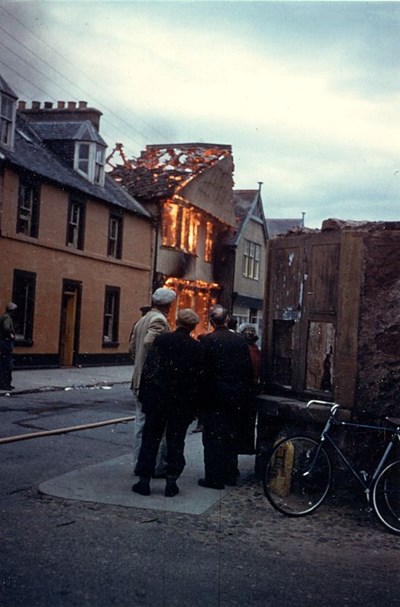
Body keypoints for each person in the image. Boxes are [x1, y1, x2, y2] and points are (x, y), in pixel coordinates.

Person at [132, 309, 203, 497]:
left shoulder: (162, 341)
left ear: (177, 322)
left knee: (150, 439)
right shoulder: (196, 348)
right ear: (193, 327)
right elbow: (197, 381)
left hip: (158, 399)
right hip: (181, 404)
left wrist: (145, 395)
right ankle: (171, 481)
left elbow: (150, 369)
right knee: (176, 441)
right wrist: (194, 407)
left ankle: (144, 481)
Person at [198, 305, 254, 489]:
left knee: (213, 437)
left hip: (214, 395)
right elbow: (248, 370)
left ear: (212, 322)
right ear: (227, 319)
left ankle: (214, 477)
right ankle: (230, 473)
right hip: (236, 394)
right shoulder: (239, 341)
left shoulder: (208, 341)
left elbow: (202, 372)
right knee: (231, 435)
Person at [129, 287, 176, 476]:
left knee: (141, 424)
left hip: (138, 379)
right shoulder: (159, 320)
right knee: (154, 428)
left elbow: (133, 347)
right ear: (167, 305)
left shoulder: (143, 319)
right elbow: (150, 342)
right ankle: (153, 466)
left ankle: (138, 464)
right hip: (150, 382)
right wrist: (159, 364)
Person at [0, 302, 17, 390]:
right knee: (7, 364)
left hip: (3, 343)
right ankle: (4, 384)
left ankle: (6, 383)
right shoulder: (7, 317)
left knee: (5, 364)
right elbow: (6, 328)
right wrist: (11, 335)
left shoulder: (5, 316)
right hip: (6, 344)